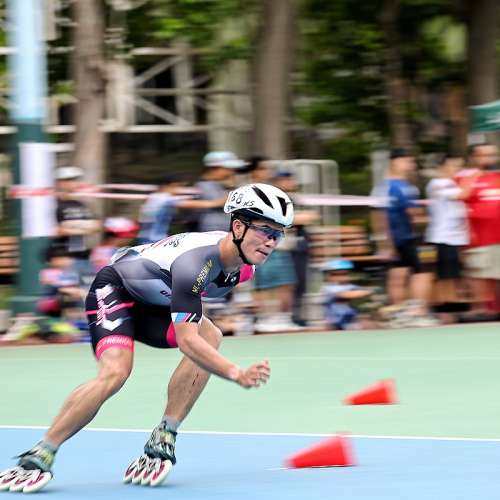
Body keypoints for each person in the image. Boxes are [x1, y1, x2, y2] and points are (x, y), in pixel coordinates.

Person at [0, 183, 294, 493]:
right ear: (238, 226)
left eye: (278, 234)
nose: (271, 242)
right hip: (115, 291)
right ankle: (40, 454)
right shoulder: (197, 263)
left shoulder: (244, 268)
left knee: (211, 334)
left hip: (153, 303)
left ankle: (165, 434)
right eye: (265, 230)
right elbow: (187, 340)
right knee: (115, 373)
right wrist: (235, 372)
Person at [138, 174, 226, 244]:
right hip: (155, 240)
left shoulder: (153, 198)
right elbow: (191, 204)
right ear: (167, 186)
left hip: (145, 238)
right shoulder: (164, 198)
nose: (179, 190)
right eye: (177, 186)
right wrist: (218, 202)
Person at [321, 259, 373, 330]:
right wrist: (365, 292)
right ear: (328, 276)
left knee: (369, 324)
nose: (341, 277)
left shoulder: (351, 286)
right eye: (336, 274)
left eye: (344, 274)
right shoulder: (329, 288)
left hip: (350, 319)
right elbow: (345, 294)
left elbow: (362, 291)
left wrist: (367, 292)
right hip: (334, 323)